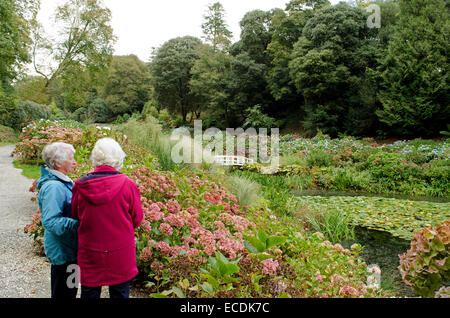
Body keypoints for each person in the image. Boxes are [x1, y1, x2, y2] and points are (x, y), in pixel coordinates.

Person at [71, 138, 143, 299]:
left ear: (95, 158)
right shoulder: (127, 184)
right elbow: (137, 219)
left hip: (90, 250)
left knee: (89, 293)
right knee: (120, 293)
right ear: (118, 158)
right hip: (121, 251)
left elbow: (75, 215)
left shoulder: (80, 185)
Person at [37, 142, 79, 299]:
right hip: (63, 254)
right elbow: (50, 221)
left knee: (71, 290)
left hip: (70, 252)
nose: (75, 162)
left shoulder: (63, 182)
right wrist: (80, 225)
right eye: (71, 158)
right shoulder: (54, 187)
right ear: (58, 163)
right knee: (64, 293)